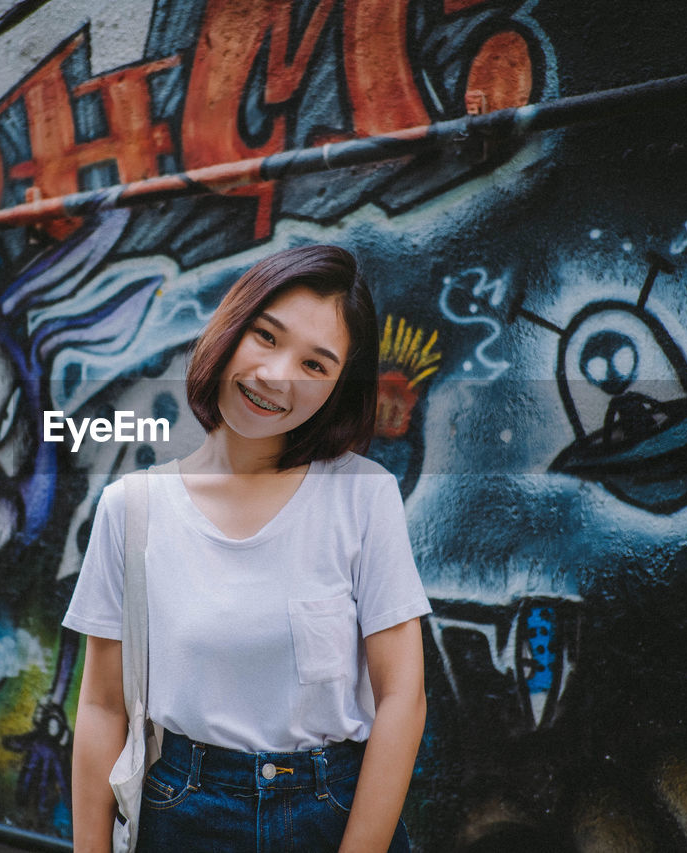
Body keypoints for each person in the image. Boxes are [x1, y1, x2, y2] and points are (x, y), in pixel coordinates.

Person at [65, 245, 430, 852]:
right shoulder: (132, 510)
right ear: (230, 331)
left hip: (332, 810)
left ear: (338, 389)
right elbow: (103, 709)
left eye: (316, 365)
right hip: (181, 812)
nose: (276, 376)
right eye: (266, 336)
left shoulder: (365, 497)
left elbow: (402, 698)